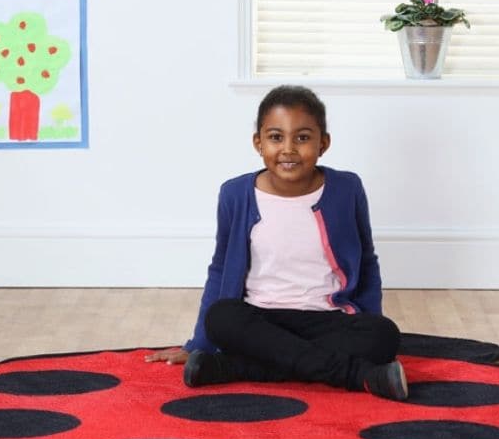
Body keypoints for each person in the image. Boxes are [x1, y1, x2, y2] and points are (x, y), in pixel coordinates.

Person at [145, 85, 407, 400]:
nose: (288, 149)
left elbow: (366, 261)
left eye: (303, 137)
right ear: (258, 143)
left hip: (325, 318)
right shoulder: (235, 194)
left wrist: (368, 319)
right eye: (275, 137)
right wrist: (199, 343)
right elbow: (219, 269)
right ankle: (356, 375)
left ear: (323, 143)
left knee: (383, 335)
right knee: (222, 317)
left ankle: (235, 368)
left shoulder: (346, 189)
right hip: (259, 318)